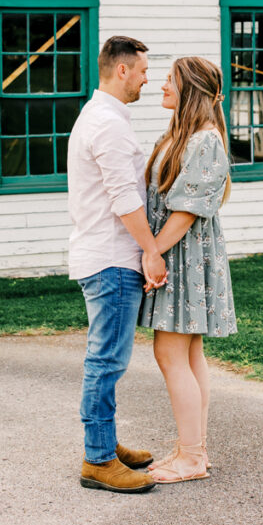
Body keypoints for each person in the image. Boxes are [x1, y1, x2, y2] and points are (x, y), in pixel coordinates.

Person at [67, 35, 168, 494]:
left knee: (108, 359)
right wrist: (151, 250)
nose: (147, 79)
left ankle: (104, 442)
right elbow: (124, 197)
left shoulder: (104, 117)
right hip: (111, 259)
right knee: (106, 360)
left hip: (106, 256)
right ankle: (98, 460)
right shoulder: (107, 123)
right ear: (122, 70)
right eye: (143, 71)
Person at [138, 56, 237, 483]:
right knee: (189, 352)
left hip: (183, 255)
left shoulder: (205, 140)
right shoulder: (183, 135)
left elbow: (186, 211)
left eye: (170, 81)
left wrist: (152, 252)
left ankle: (192, 458)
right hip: (179, 253)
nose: (162, 86)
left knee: (170, 353)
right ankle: (192, 449)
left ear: (190, 90)